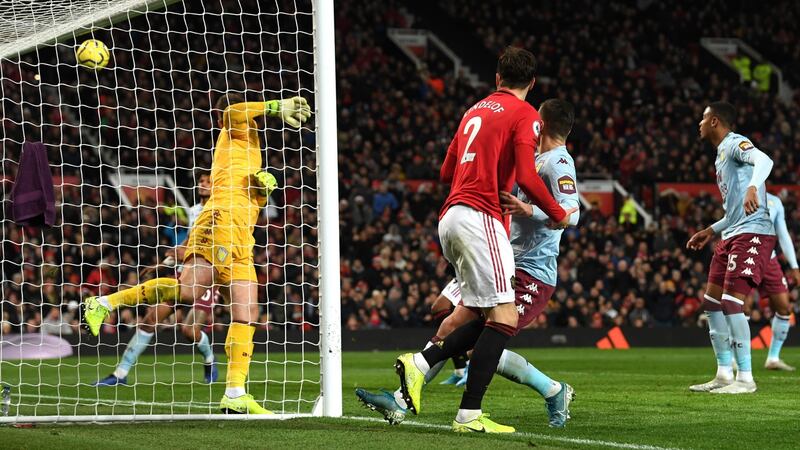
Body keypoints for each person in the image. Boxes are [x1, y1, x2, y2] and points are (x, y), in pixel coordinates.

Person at [358, 99, 579, 429]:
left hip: (533, 271)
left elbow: (572, 214)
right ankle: (401, 399)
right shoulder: (531, 158)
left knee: (486, 335)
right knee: (451, 325)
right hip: (503, 258)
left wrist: (528, 209)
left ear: (541, 124)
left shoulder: (558, 162)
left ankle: (552, 391)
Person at [83, 95, 311, 414]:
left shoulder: (250, 145)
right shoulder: (234, 129)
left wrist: (261, 192)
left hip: (243, 234)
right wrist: (277, 106)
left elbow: (248, 196)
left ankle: (234, 392)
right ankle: (104, 304)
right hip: (219, 221)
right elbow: (233, 111)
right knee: (188, 293)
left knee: (247, 312)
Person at [92, 172, 220, 386]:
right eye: (201, 180)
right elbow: (189, 242)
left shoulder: (219, 211)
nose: (203, 184)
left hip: (207, 276)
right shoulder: (193, 211)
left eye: (208, 181)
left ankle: (209, 358)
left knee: (189, 330)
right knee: (150, 319)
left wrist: (187, 252)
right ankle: (120, 374)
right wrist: (164, 263)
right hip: (184, 273)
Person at [687, 101, 775, 394]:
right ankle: (724, 373)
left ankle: (745, 378)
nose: (699, 123)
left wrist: (753, 186)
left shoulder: (736, 143)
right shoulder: (721, 154)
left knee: (731, 302)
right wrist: (710, 230)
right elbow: (734, 212)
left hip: (753, 233)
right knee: (711, 302)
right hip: (731, 233)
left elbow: (764, 160)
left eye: (703, 118)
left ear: (714, 121)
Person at [759, 192, 800, 371]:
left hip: (769, 259)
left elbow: (783, 235)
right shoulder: (738, 194)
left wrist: (794, 266)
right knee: (739, 307)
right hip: (744, 257)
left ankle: (773, 358)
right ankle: (732, 359)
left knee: (784, 307)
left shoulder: (774, 201)